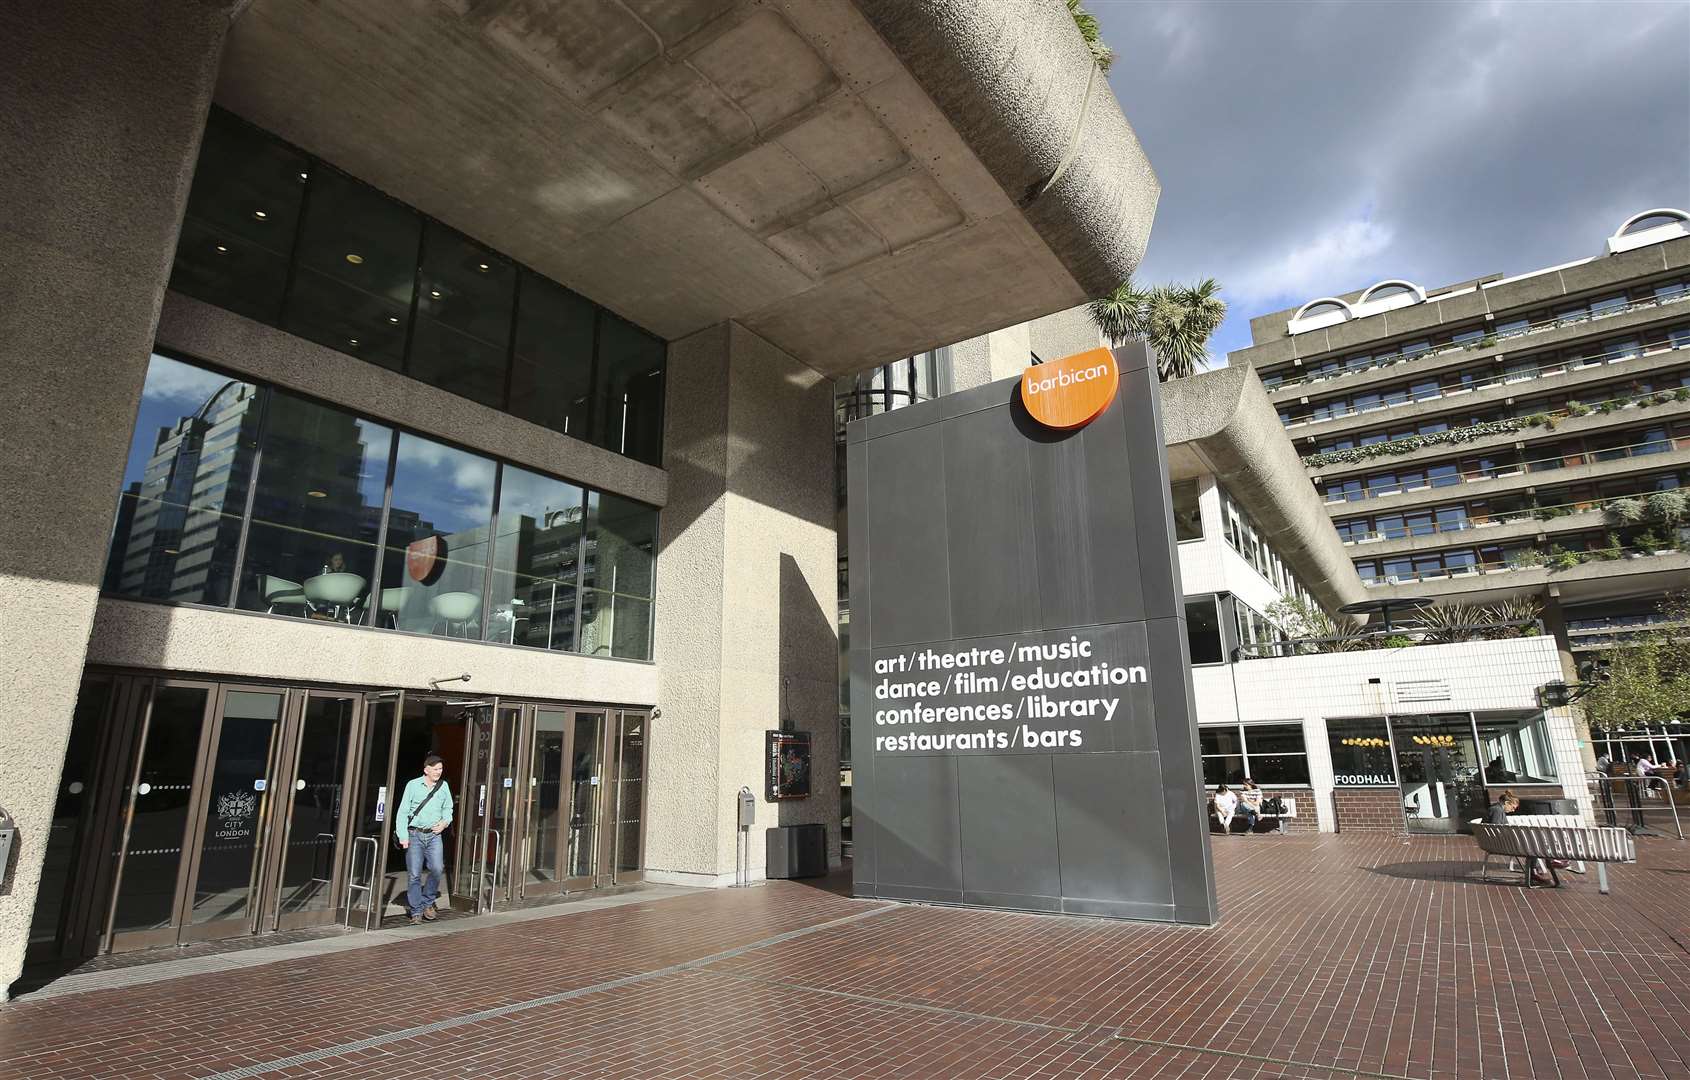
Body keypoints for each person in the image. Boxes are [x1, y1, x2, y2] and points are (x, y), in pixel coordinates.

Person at [394, 752, 454, 924]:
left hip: (434, 835)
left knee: (437, 868)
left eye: (441, 768)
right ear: (426, 770)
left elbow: (448, 808)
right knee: (414, 874)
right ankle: (416, 911)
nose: (439, 772)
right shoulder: (412, 785)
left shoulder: (443, 786)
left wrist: (444, 823)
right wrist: (403, 836)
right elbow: (403, 811)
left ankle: (427, 901)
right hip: (414, 834)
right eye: (435, 769)